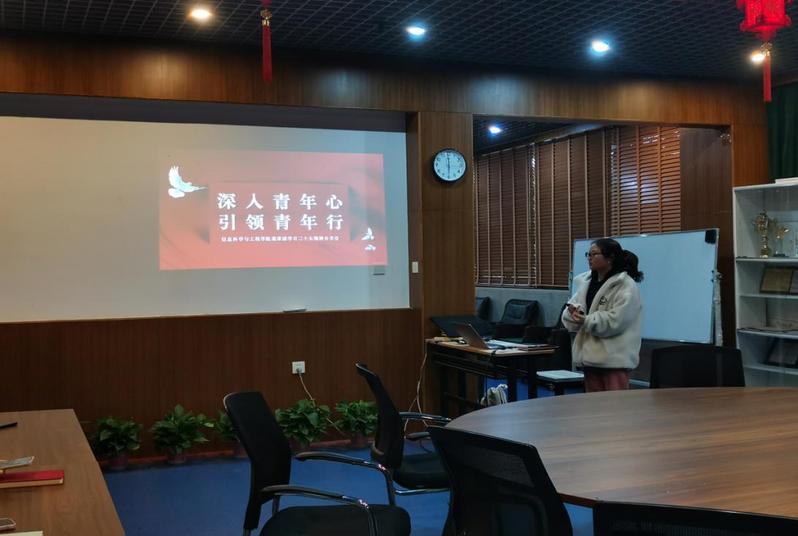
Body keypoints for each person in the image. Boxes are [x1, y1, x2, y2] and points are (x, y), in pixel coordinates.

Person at [561, 238, 644, 392]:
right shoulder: (586, 282)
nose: (589, 258)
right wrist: (573, 314)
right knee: (593, 405)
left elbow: (617, 320)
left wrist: (586, 320)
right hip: (589, 359)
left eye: (594, 254)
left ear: (610, 257)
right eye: (588, 254)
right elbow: (571, 308)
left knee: (615, 405)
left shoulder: (625, 285)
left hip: (614, 360)